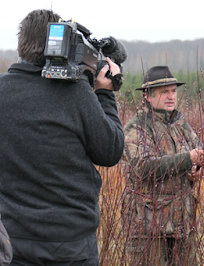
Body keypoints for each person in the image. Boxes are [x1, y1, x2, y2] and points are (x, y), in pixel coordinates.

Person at [0, 9, 125, 265]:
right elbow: (111, 151)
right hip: (70, 244)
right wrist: (105, 93)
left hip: (11, 240)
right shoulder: (75, 93)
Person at [122, 66, 204, 265]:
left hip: (183, 225)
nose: (171, 96)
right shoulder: (136, 127)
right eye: (164, 92)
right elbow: (144, 168)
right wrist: (188, 160)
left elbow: (203, 156)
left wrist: (199, 171)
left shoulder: (180, 123)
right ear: (147, 96)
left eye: (173, 91)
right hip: (148, 228)